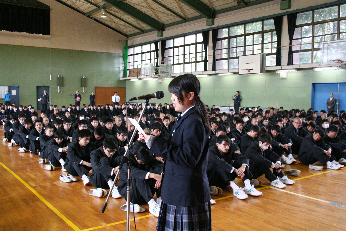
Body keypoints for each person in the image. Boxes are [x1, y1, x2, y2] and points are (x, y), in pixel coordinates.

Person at [140, 74, 211, 231]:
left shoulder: (193, 121)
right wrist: (151, 140)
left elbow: (189, 157)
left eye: (175, 93)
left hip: (186, 193)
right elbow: (177, 148)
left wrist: (154, 143)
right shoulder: (185, 118)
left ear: (190, 95)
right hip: (177, 190)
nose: (172, 98)